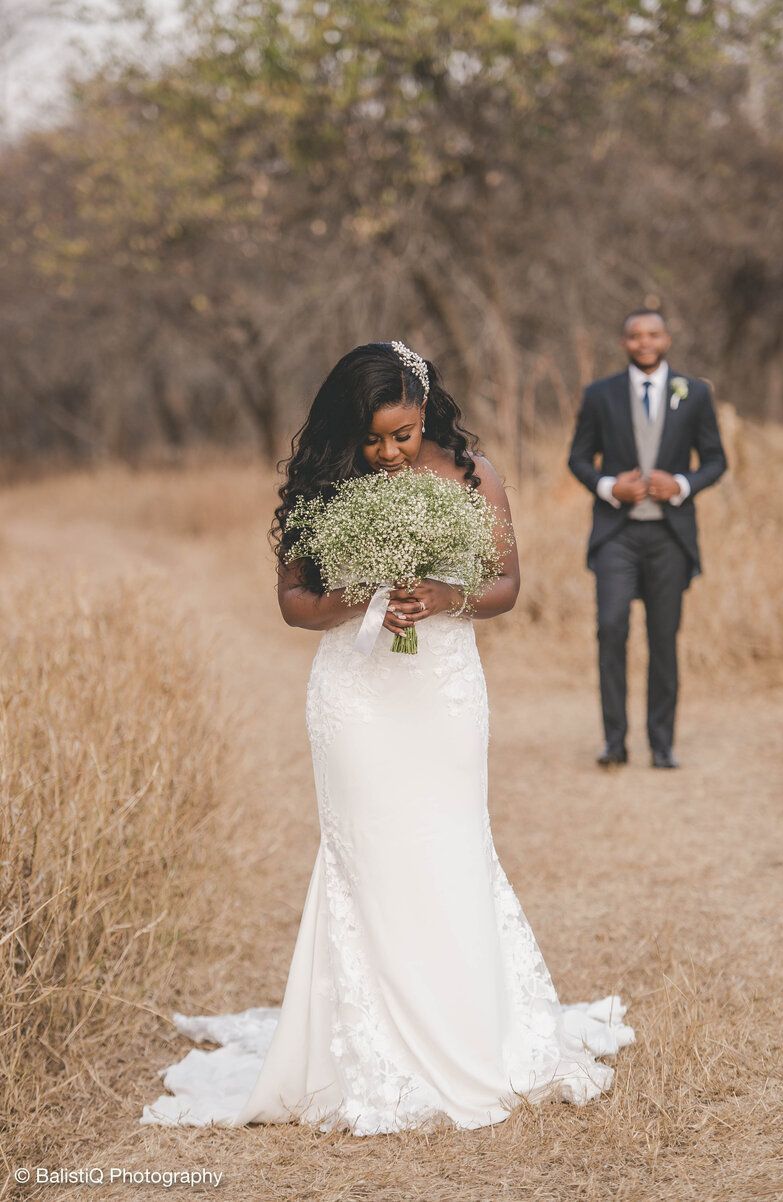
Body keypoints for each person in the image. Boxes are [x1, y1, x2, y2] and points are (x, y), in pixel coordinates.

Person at [141, 341, 634, 1136]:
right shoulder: (326, 484)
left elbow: (507, 585)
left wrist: (443, 594)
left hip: (442, 693)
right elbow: (294, 605)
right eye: (373, 438)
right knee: (367, 855)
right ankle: (363, 1052)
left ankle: (469, 1031)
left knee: (449, 846)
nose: (389, 452)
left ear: (426, 411)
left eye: (402, 435)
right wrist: (362, 592)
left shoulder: (472, 474)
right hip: (356, 696)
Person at [568, 310, 727, 769]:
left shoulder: (694, 393)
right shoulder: (600, 394)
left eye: (653, 334)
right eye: (635, 335)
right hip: (616, 534)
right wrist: (607, 487)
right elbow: (578, 458)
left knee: (664, 637)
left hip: (669, 536)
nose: (645, 342)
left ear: (667, 339)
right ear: (624, 342)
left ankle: (662, 744)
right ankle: (614, 741)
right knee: (611, 628)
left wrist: (680, 484)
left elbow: (716, 460)